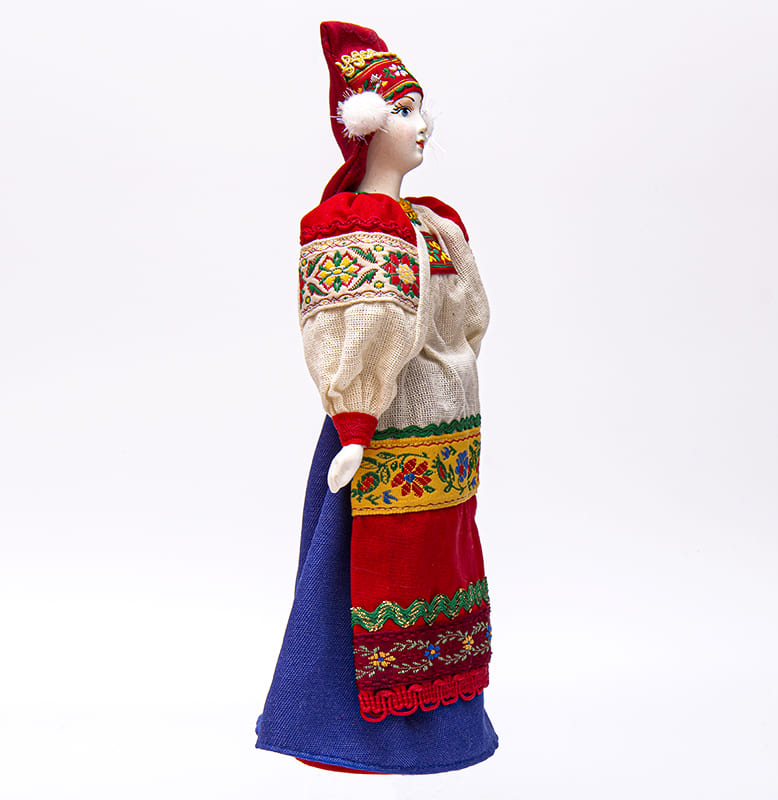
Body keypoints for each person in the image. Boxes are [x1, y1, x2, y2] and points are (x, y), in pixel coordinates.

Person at [255, 21, 498, 774]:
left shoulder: (436, 224)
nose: (421, 124)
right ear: (362, 125)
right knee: (365, 570)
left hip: (441, 432)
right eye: (402, 110)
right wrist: (355, 421)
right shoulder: (354, 226)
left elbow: (469, 321)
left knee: (441, 563)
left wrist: (453, 380)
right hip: (378, 438)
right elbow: (354, 332)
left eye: (422, 109)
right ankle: (347, 731)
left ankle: (443, 732)